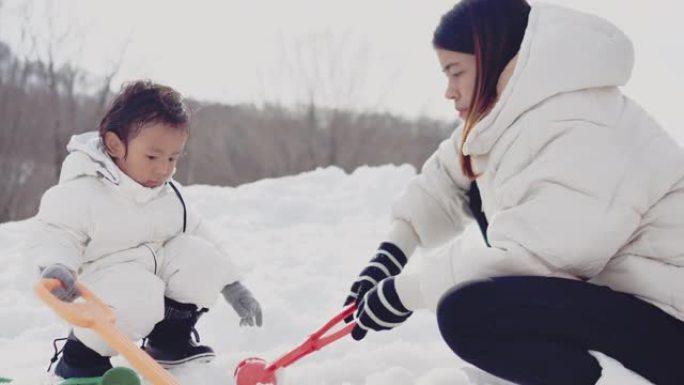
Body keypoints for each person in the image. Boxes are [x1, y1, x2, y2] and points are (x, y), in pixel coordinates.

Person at [343, 1, 684, 384]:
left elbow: (540, 252)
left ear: (491, 59)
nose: (448, 91)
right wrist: (389, 256)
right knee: (476, 206)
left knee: (471, 312)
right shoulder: (516, 115)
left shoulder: (583, 123)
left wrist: (405, 292)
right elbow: (447, 176)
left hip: (670, 325)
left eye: (456, 73)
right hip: (624, 305)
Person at [28, 80, 263, 380]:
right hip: (107, 285)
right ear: (115, 145)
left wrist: (233, 284)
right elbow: (57, 233)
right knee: (141, 294)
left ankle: (170, 340)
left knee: (201, 257)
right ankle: (79, 358)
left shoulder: (169, 194)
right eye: (153, 157)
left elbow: (203, 234)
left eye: (173, 158)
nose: (163, 169)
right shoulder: (83, 192)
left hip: (151, 274)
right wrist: (57, 266)